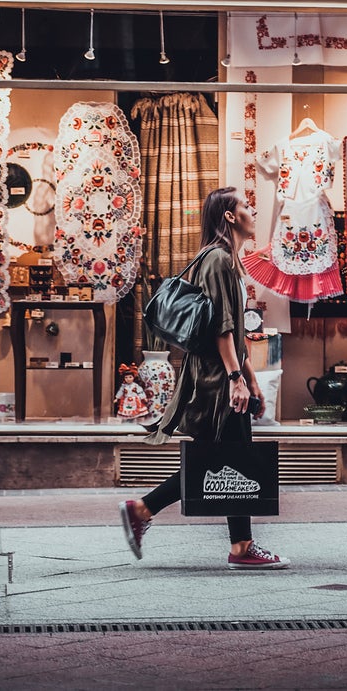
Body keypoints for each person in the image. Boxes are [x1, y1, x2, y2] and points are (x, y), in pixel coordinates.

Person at [119, 187, 290, 570]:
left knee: (227, 455)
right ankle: (145, 510)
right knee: (223, 455)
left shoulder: (229, 259)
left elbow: (237, 332)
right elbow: (221, 329)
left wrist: (251, 378)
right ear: (229, 217)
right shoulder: (217, 260)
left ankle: (238, 544)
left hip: (225, 372)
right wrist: (235, 378)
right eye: (245, 206)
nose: (251, 210)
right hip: (215, 377)